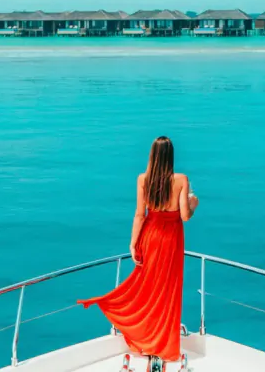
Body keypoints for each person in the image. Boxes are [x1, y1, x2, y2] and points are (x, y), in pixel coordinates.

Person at [79, 136, 199, 362]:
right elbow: (185, 216)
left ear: (152, 155)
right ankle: (162, 341)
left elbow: (139, 215)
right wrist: (194, 204)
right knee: (167, 289)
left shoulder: (143, 179)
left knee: (148, 287)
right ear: (171, 156)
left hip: (150, 236)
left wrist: (133, 243)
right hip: (171, 238)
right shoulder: (181, 179)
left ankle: (144, 335)